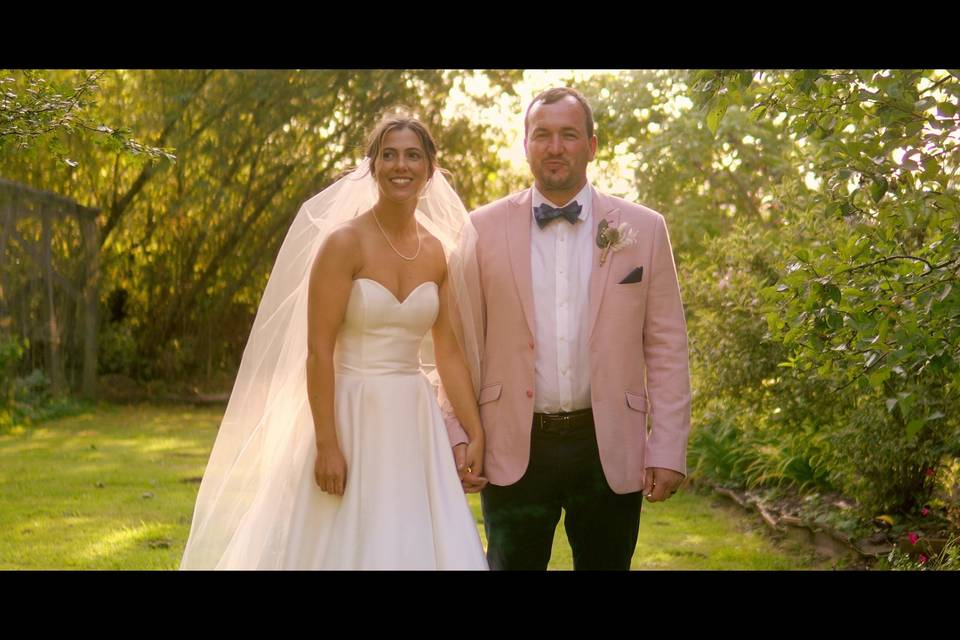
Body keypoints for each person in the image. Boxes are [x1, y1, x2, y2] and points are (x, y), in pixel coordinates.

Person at [180, 111, 488, 570]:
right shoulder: (344, 243)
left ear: (430, 169)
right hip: (348, 413)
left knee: (413, 537)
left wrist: (474, 429)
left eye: (412, 156)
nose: (399, 166)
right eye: (388, 155)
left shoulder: (437, 252)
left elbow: (448, 353)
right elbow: (318, 350)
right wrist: (327, 444)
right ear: (372, 165)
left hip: (412, 419)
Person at [444, 87, 692, 570]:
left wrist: (667, 447)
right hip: (513, 444)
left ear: (592, 146)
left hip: (608, 448)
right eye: (543, 135)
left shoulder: (644, 228)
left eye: (568, 135)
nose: (555, 147)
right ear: (526, 144)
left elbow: (667, 348)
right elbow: (455, 342)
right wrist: (457, 432)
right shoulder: (479, 229)